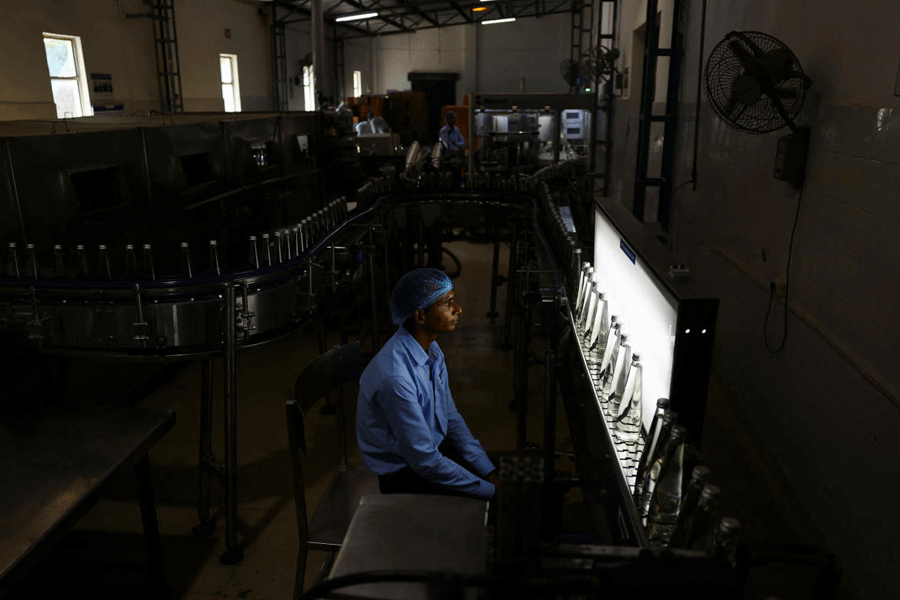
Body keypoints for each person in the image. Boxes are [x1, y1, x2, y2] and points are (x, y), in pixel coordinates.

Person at [357, 268, 498, 500]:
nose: (458, 309)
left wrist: (489, 471)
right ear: (421, 316)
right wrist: (492, 493)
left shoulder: (431, 351)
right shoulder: (396, 379)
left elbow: (450, 417)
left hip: (429, 452)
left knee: (503, 471)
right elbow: (425, 463)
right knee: (499, 509)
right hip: (404, 474)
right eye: (448, 303)